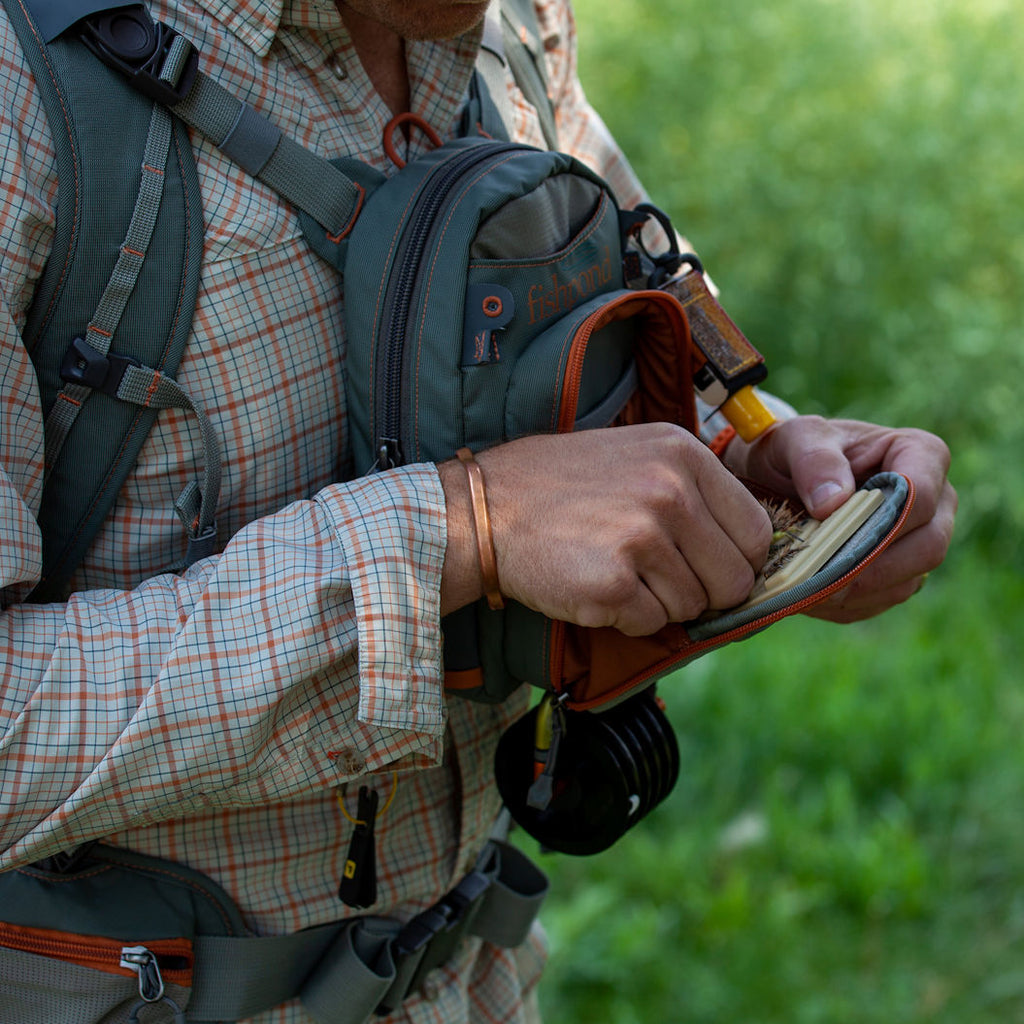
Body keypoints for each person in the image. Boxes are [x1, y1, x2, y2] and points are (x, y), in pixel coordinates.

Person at [0, 0, 956, 1020]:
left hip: (481, 979)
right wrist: (461, 532)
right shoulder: (26, 90)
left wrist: (746, 464)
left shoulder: (510, 27)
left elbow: (619, 271)